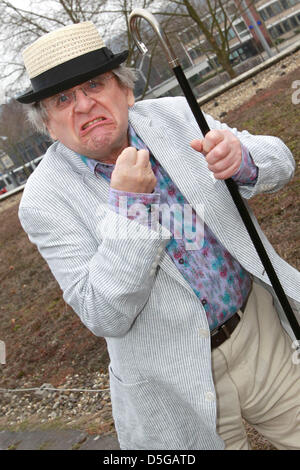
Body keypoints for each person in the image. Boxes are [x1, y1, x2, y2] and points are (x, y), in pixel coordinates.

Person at [17, 21, 300, 450]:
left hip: (259, 333)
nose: (83, 105)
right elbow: (102, 313)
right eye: (62, 98)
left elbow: (280, 160)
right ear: (50, 126)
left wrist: (244, 160)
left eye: (94, 84)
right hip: (175, 379)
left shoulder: (174, 115)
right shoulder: (43, 202)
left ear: (125, 91)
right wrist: (130, 213)